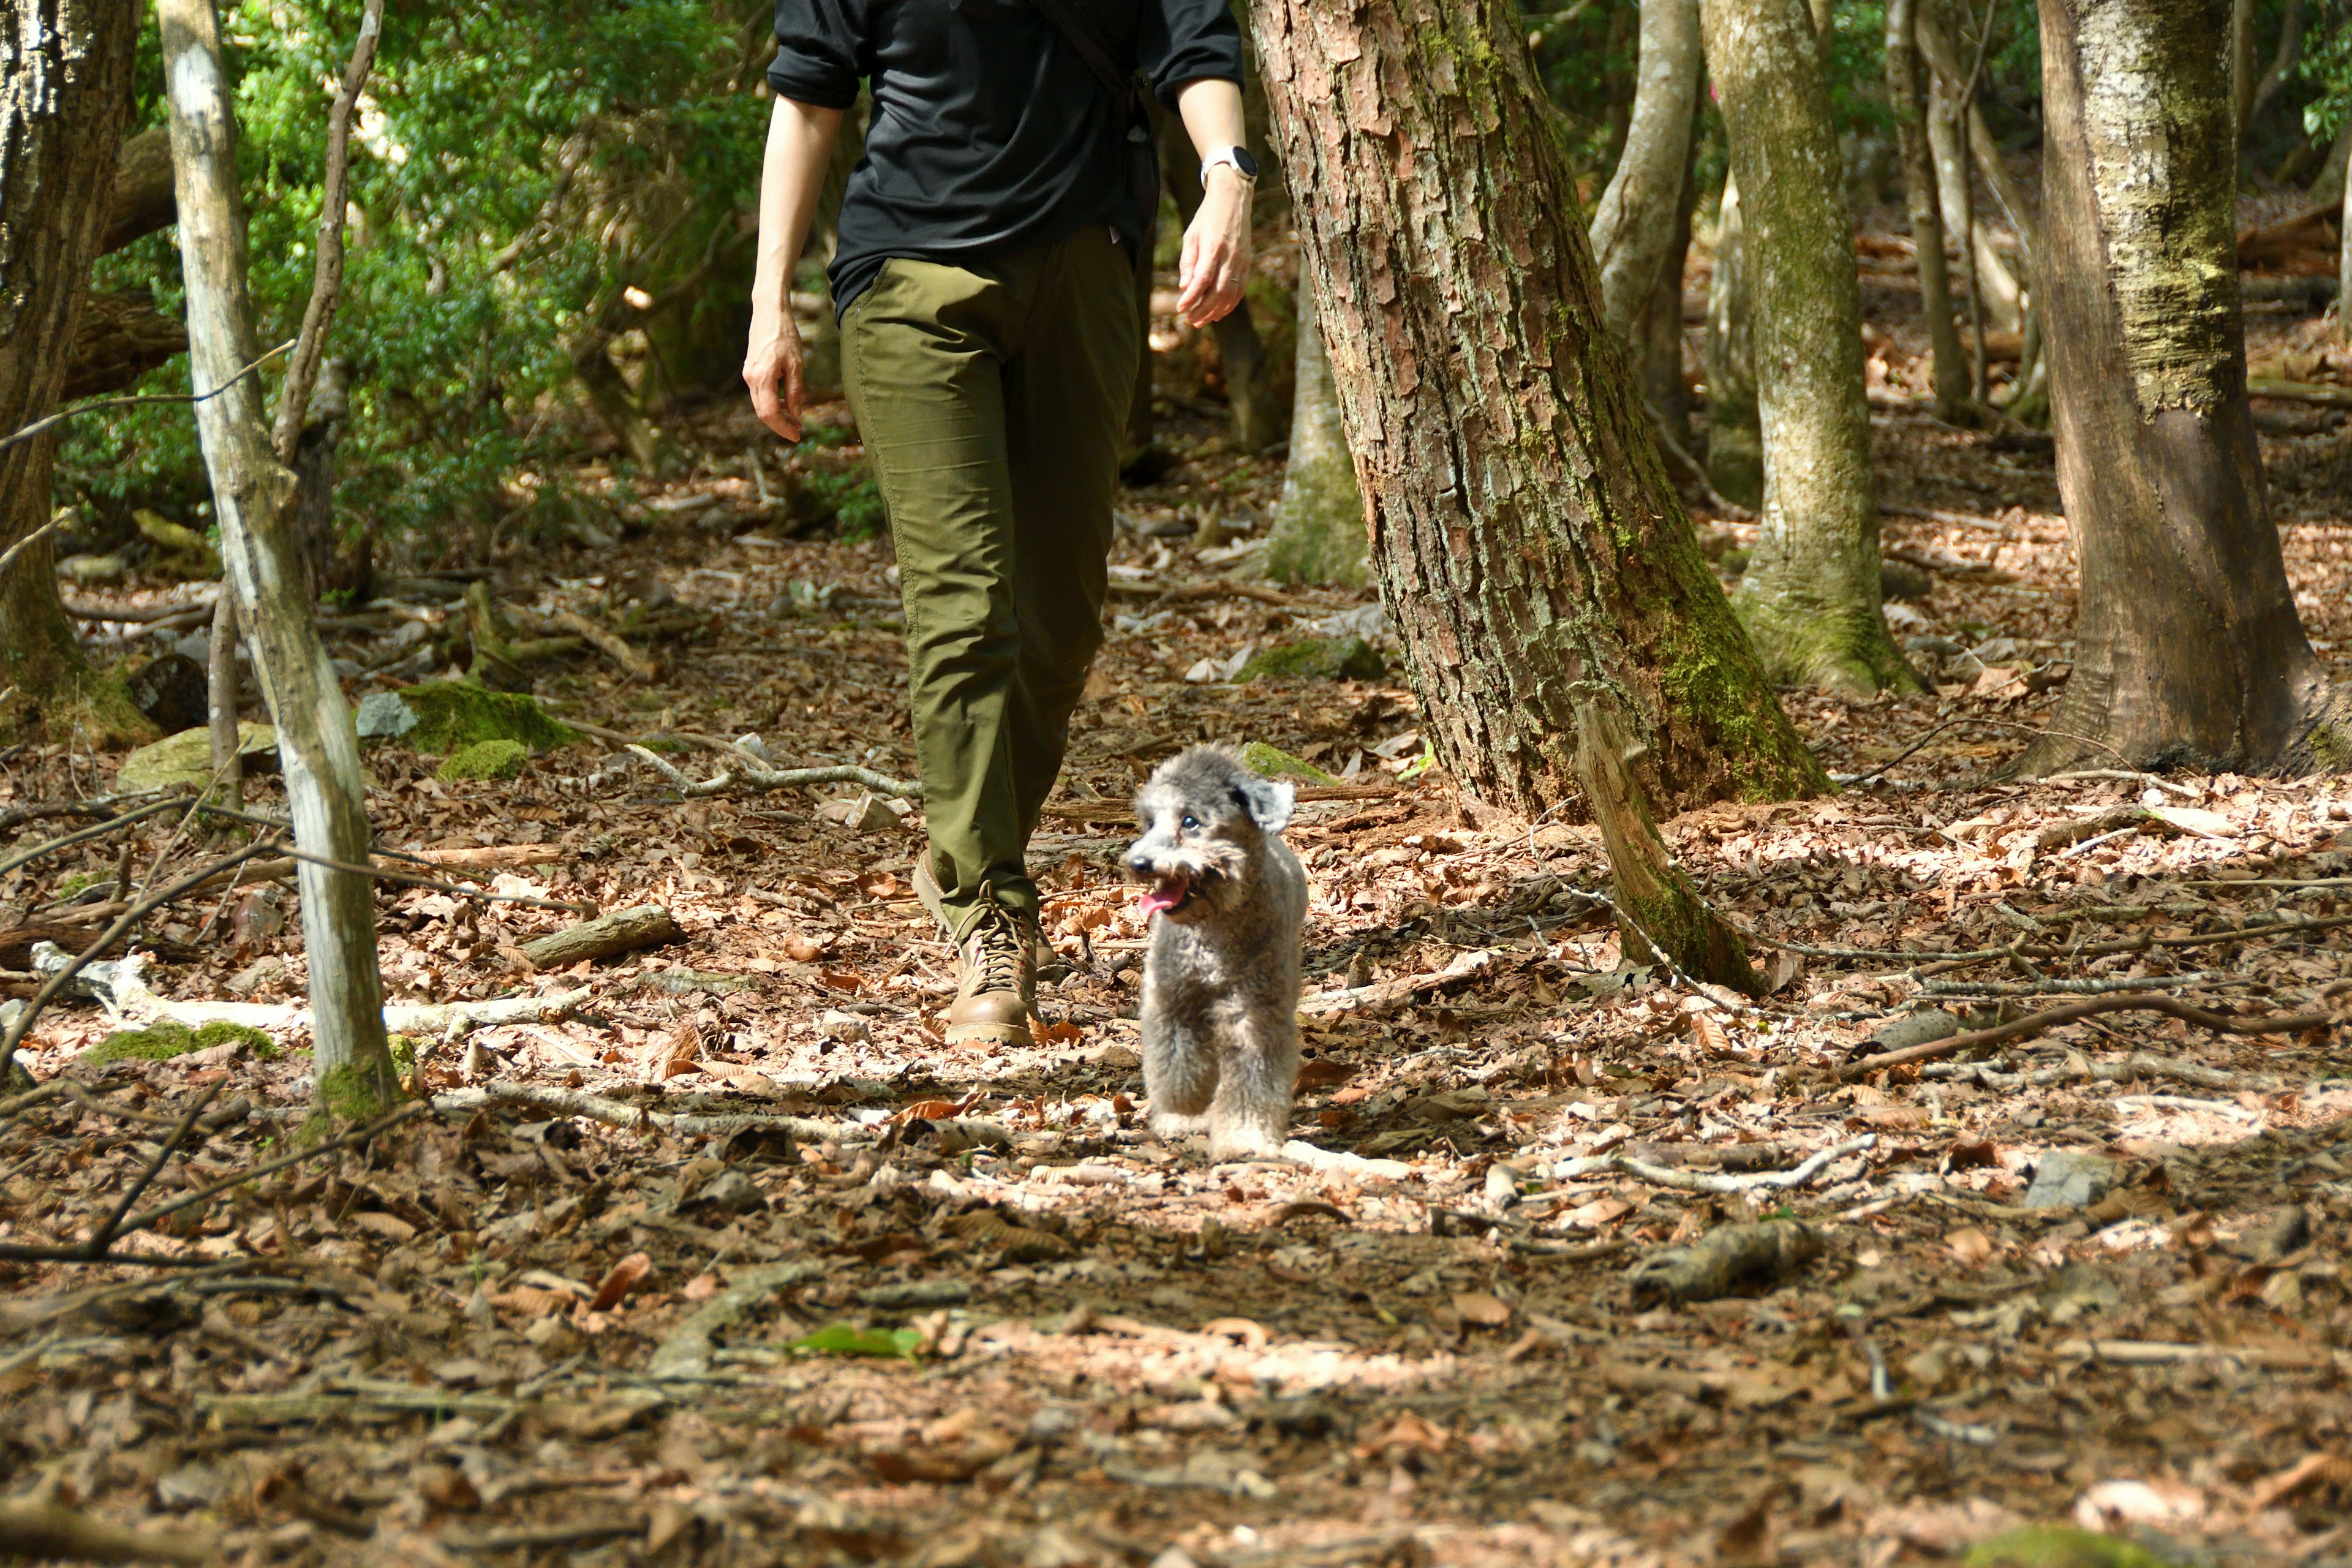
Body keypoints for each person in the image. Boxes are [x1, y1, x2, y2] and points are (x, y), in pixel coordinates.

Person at [745, 0, 1256, 1049]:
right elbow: (809, 99)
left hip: (1082, 267)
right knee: (965, 605)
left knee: (1060, 624)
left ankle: (956, 843)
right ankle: (988, 910)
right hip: (910, 283)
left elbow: (1193, 44)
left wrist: (1226, 175)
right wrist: (769, 302)